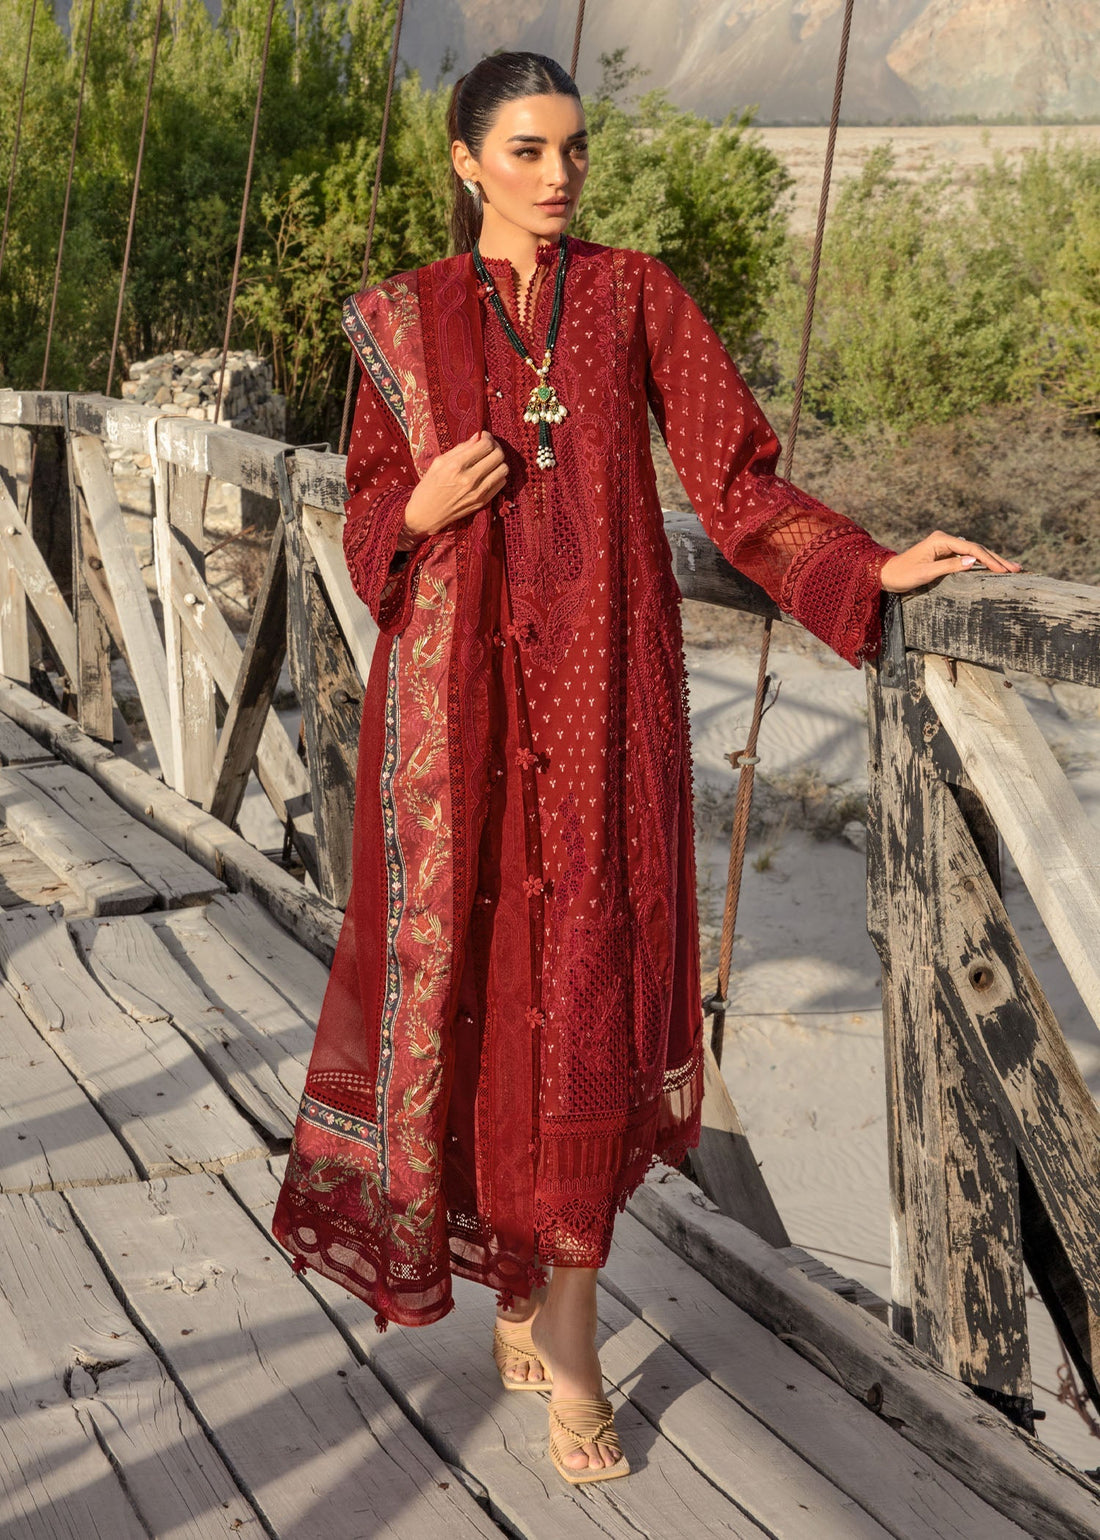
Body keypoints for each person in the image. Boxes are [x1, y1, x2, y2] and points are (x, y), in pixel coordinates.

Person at [271, 51, 1022, 1485]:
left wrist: (868, 564)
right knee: (479, 990)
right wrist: (417, 507)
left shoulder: (636, 298)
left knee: (586, 999)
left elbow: (735, 482)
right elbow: (368, 523)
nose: (559, 176)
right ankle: (513, 1275)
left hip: (605, 717)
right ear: (466, 162)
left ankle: (569, 1332)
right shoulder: (405, 319)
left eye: (574, 150)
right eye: (527, 150)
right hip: (456, 725)